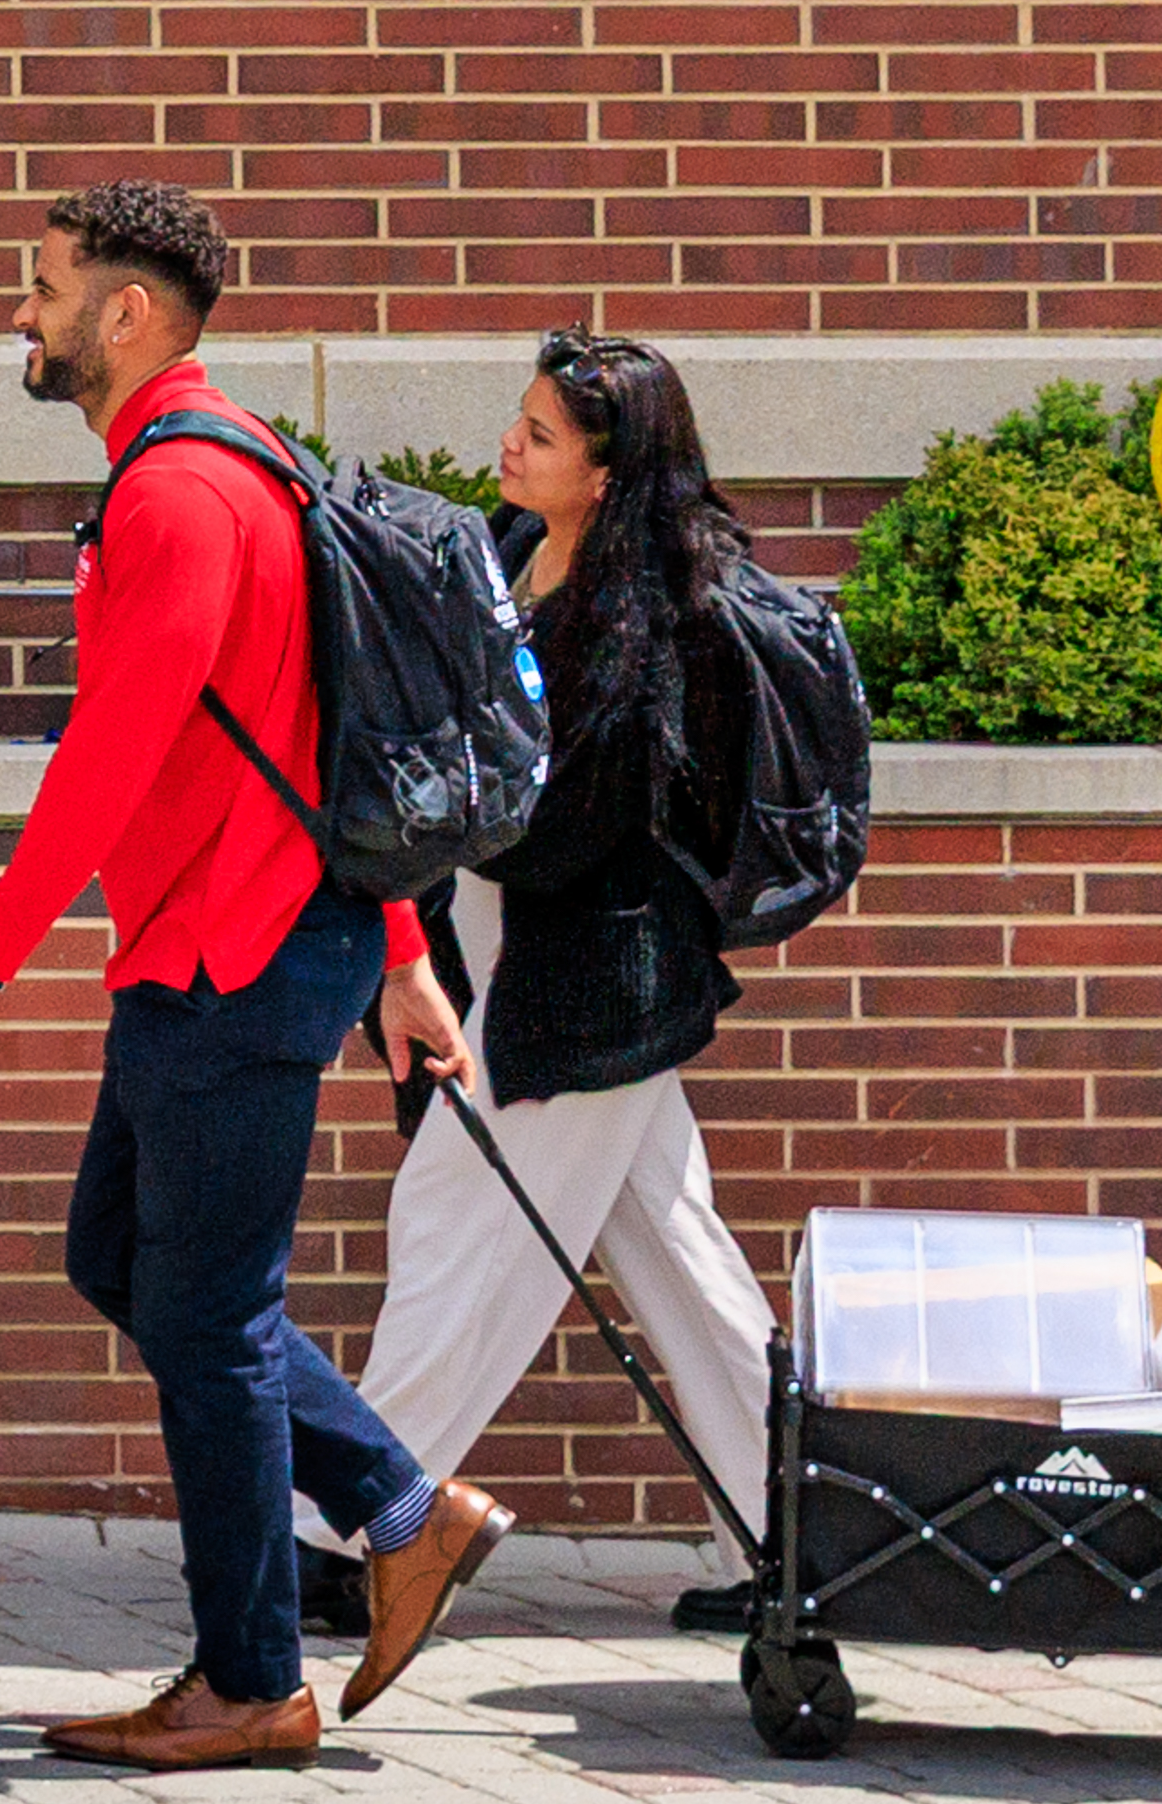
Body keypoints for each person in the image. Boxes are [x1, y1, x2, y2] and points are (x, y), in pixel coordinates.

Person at [0, 180, 509, 1772]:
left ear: (126, 313)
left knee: (213, 1317)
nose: (20, 317)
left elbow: (116, 748)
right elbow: (331, 728)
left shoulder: (179, 491)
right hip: (236, 943)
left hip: (234, 955)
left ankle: (252, 1679)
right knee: (125, 1260)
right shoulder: (243, 460)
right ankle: (400, 1509)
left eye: (43, 290)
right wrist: (400, 952)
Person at [359, 329, 791, 1619]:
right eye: (521, 418)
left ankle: (349, 1528)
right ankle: (797, 1544)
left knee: (453, 1218)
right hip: (515, 948)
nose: (510, 443)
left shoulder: (648, 619)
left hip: (591, 981)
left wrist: (438, 807)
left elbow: (572, 820)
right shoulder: (513, 553)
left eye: (540, 434)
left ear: (606, 473)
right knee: (674, 1252)